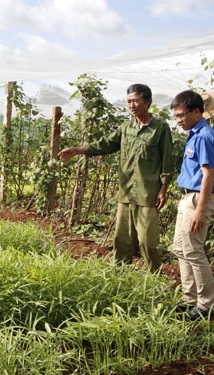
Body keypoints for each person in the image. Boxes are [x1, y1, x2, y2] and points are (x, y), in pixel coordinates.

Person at [58, 84, 173, 273]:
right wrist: (77, 150)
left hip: (147, 193)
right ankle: (120, 277)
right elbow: (106, 144)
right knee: (122, 240)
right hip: (126, 192)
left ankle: (155, 278)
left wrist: (164, 189)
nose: (132, 105)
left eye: (136, 101)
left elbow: (167, 159)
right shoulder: (126, 128)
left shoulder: (160, 128)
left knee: (146, 241)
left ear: (148, 102)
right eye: (129, 101)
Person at [170, 90, 214, 320]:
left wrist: (200, 210)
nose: (179, 120)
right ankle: (189, 297)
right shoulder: (195, 134)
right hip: (188, 197)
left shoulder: (203, 137)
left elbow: (208, 175)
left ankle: (206, 304)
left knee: (193, 250)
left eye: (182, 115)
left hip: (197, 198)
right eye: (176, 116)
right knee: (180, 248)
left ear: (196, 112)